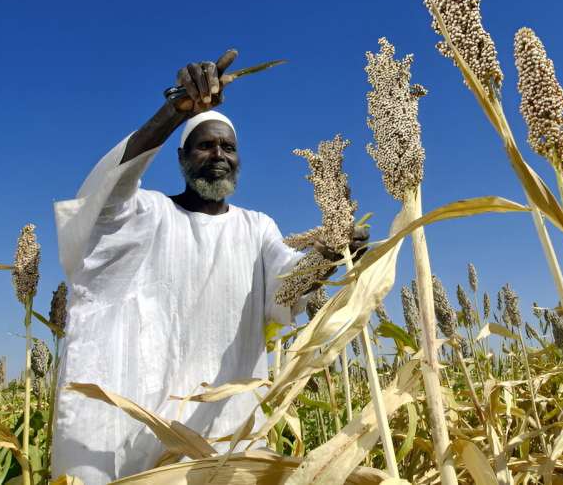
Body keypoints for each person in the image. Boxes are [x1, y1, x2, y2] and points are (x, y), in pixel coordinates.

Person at [51, 50, 366, 484]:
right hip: (137, 433)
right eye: (205, 145)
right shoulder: (148, 213)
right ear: (182, 158)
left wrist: (328, 256)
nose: (218, 154)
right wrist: (175, 110)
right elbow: (106, 196)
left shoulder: (257, 228)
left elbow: (288, 286)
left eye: (229, 147)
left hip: (227, 432)